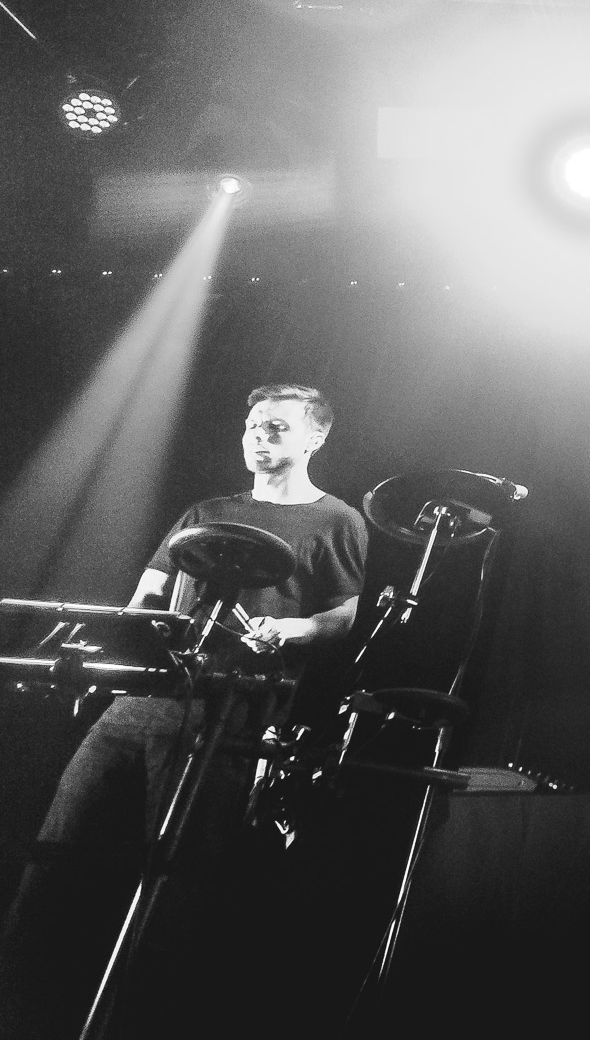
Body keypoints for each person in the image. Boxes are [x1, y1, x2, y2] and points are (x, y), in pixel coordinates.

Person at [0, 383, 366, 1039]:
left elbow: (343, 613)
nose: (258, 436)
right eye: (253, 425)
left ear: (315, 437)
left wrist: (292, 630)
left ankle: (140, 1017)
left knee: (174, 883)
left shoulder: (336, 519)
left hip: (228, 712)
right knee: (56, 853)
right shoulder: (207, 510)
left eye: (277, 427)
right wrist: (127, 635)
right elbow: (149, 592)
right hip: (141, 700)